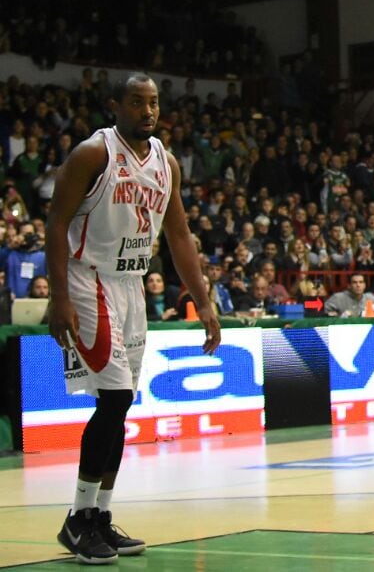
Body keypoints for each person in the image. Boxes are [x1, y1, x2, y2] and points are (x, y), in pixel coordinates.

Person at [46, 73, 221, 564]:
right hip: (88, 280)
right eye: (138, 102)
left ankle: (99, 516)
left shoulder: (166, 163)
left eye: (154, 103)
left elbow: (180, 234)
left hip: (131, 285)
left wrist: (203, 301)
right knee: (115, 397)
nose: (148, 111)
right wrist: (59, 296)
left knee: (120, 405)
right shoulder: (92, 154)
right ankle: (79, 520)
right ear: (115, 105)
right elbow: (56, 223)